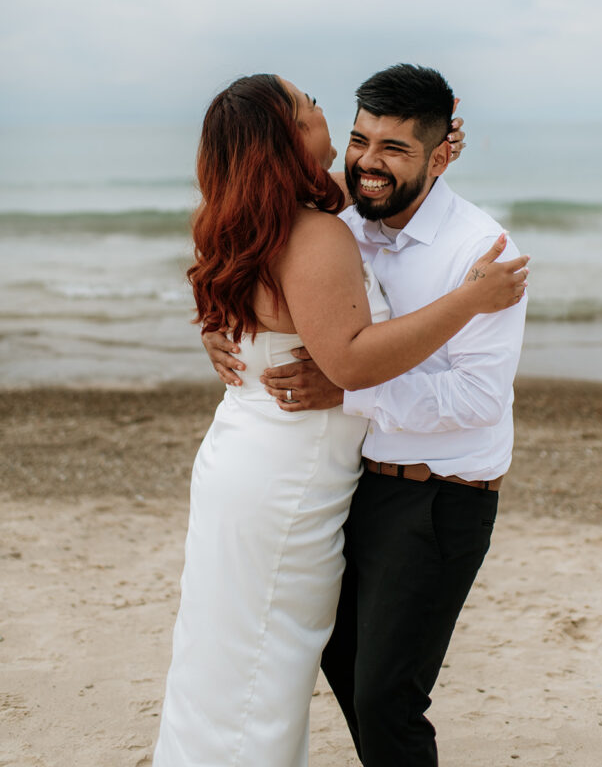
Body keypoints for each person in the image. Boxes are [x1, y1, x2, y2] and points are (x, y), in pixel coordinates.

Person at [153, 72, 528, 767]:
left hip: (427, 491)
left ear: (440, 157)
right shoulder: (333, 227)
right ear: (299, 139)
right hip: (319, 482)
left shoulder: (473, 248)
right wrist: (225, 329)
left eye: (392, 147)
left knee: (326, 679)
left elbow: (475, 399)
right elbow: (337, 350)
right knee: (280, 662)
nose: (365, 160)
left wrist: (339, 383)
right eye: (352, 134)